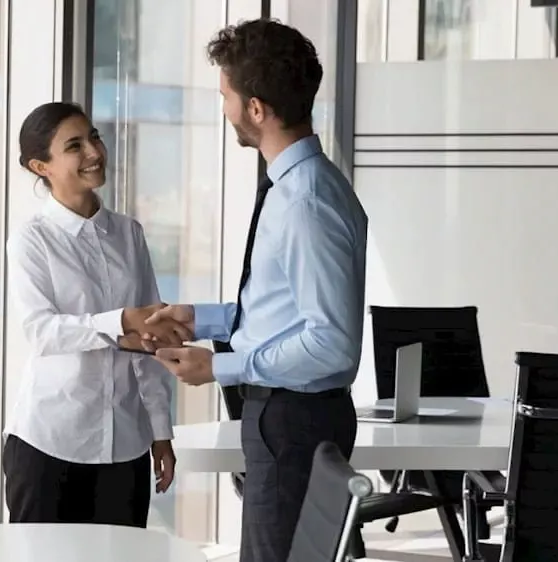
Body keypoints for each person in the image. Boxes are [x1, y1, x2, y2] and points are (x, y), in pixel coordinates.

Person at [140, 19, 368, 562]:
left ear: (257, 109)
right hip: (289, 419)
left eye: (226, 96)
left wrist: (219, 367)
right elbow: (283, 310)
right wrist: (201, 319)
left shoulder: (304, 202)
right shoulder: (301, 186)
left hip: (293, 423)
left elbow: (332, 344)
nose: (224, 109)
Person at [1, 101, 188, 528]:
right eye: (74, 146)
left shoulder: (129, 234)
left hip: (126, 445)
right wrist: (119, 322)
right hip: (49, 444)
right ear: (41, 167)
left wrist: (161, 430)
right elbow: (41, 331)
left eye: (94, 137)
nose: (94, 152)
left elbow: (152, 339)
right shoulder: (31, 240)